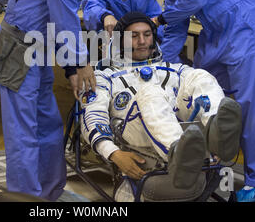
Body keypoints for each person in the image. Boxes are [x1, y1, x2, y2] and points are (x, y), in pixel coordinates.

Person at [124, 0, 255, 202]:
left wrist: (160, 19)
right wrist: (164, 65)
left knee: (247, 102)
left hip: (241, 26)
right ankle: (212, 168)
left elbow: (194, 0)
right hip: (213, 34)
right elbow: (177, 25)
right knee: (201, 94)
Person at [0, 0, 126, 201]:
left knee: (49, 125)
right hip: (18, 49)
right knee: (24, 132)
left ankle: (50, 193)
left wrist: (70, 69)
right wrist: (80, 63)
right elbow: (64, 19)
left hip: (38, 47)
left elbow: (57, 19)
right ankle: (25, 198)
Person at [80, 12, 242, 201]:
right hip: (136, 134)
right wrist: (113, 153)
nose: (142, 41)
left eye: (147, 34)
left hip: (189, 135)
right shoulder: (105, 77)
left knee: (200, 76)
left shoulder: (172, 69)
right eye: (134, 36)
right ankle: (179, 153)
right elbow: (92, 116)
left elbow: (198, 86)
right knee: (151, 93)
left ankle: (216, 137)